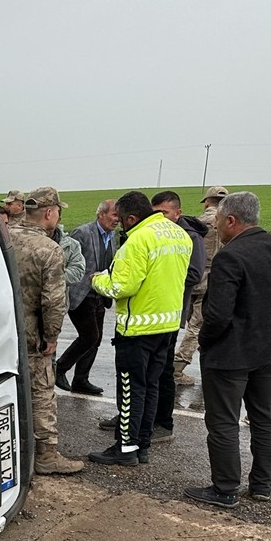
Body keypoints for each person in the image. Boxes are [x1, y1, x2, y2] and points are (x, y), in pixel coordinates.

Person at [185, 191, 271, 507]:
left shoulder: (231, 256)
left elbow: (216, 314)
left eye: (217, 221)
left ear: (231, 220)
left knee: (224, 421)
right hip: (270, 352)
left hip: (230, 354)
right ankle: (262, 485)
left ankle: (225, 488)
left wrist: (205, 342)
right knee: (265, 417)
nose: (216, 227)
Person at [87, 191, 191, 467]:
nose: (120, 225)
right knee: (151, 386)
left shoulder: (137, 240)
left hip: (137, 328)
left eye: (121, 220)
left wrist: (97, 281)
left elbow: (122, 286)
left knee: (131, 389)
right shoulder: (178, 234)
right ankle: (142, 444)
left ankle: (125, 448)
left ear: (132, 218)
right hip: (168, 325)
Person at [10, 186, 82, 474]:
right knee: (42, 392)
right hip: (32, 334)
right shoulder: (48, 249)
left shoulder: (3, 238)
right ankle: (46, 456)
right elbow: (53, 299)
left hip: (2, 330)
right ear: (50, 213)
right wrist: (51, 337)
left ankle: (14, 447)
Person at [149, 191, 206, 442]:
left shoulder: (190, 237)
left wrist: (159, 277)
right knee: (145, 370)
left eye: (163, 213)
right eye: (154, 213)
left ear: (177, 213)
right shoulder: (155, 233)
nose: (159, 218)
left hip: (170, 312)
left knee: (162, 370)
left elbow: (194, 274)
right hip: (151, 312)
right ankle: (135, 417)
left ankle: (163, 423)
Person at [57, 200, 118, 395]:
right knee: (90, 336)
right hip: (81, 294)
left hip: (100, 295)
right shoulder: (82, 233)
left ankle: (81, 380)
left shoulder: (113, 236)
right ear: (101, 214)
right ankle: (60, 368)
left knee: (96, 339)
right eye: (114, 215)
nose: (117, 219)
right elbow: (67, 259)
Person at [174, 186, 228, 385]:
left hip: (191, 275)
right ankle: (178, 367)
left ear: (207, 201)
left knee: (192, 322)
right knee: (198, 325)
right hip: (212, 277)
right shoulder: (225, 223)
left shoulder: (195, 223)